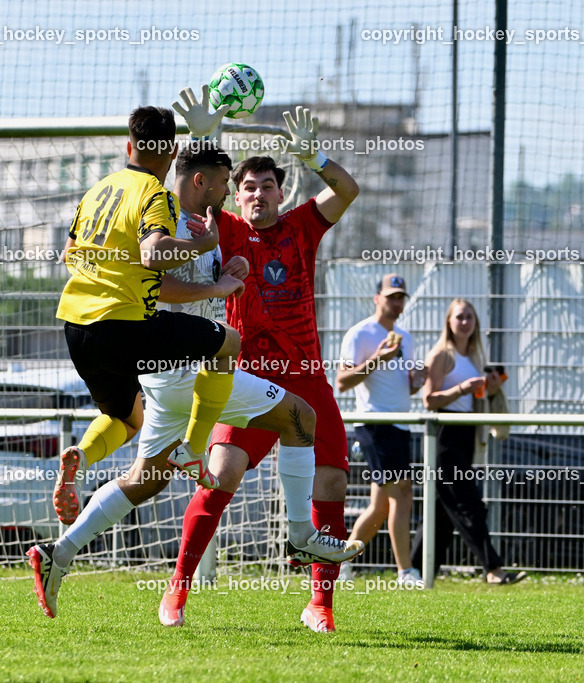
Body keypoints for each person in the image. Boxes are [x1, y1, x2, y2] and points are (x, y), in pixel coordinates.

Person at [27, 132, 362, 621]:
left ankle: (59, 551)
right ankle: (296, 535)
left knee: (144, 479)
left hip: (172, 379)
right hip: (201, 372)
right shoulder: (182, 215)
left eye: (262, 185)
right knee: (296, 416)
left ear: (281, 193)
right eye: (232, 184)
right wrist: (223, 279)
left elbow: (188, 202)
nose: (237, 193)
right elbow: (167, 251)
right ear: (209, 185)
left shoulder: (207, 222)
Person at [159, 101, 363, 633]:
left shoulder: (303, 225)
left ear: (281, 192)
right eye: (247, 187)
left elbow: (347, 191)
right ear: (238, 194)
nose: (256, 194)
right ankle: (177, 591)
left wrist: (314, 155)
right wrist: (200, 139)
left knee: (334, 482)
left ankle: (320, 604)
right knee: (222, 474)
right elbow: (182, 200)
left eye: (266, 185)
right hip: (246, 378)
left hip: (307, 380)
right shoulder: (221, 225)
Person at [48, 105, 241, 531]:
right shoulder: (154, 194)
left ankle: (80, 454)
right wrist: (204, 242)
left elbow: (68, 254)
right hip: (123, 323)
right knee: (229, 342)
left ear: (129, 146)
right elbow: (153, 254)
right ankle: (193, 448)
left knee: (126, 418)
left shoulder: (97, 190)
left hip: (75, 327)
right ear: (171, 152)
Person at [409, 298, 526, 585]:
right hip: (444, 434)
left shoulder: (474, 356)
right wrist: (462, 388)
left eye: (469, 317)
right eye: (459, 317)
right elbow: (428, 400)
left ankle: (416, 571)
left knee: (442, 511)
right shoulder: (441, 355)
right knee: (470, 504)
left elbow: (476, 398)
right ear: (449, 321)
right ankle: (493, 568)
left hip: (466, 433)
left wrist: (491, 389)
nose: (465, 322)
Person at [336, 273, 425, 587]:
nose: (397, 302)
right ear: (377, 299)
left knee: (379, 506)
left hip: (401, 423)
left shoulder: (406, 336)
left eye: (401, 297)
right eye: (391, 296)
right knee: (403, 493)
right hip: (375, 423)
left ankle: (340, 564)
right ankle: (406, 572)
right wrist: (377, 358)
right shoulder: (361, 333)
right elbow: (342, 382)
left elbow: (408, 387)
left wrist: (419, 379)